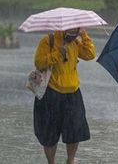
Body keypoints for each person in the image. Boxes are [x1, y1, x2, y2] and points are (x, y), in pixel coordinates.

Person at [33, 27, 95, 164]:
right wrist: (57, 54)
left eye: (76, 30)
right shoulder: (48, 41)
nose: (73, 33)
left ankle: (70, 160)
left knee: (75, 130)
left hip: (73, 92)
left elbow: (90, 54)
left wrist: (84, 36)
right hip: (52, 92)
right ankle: (51, 161)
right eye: (71, 30)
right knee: (49, 132)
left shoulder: (76, 42)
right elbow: (39, 62)